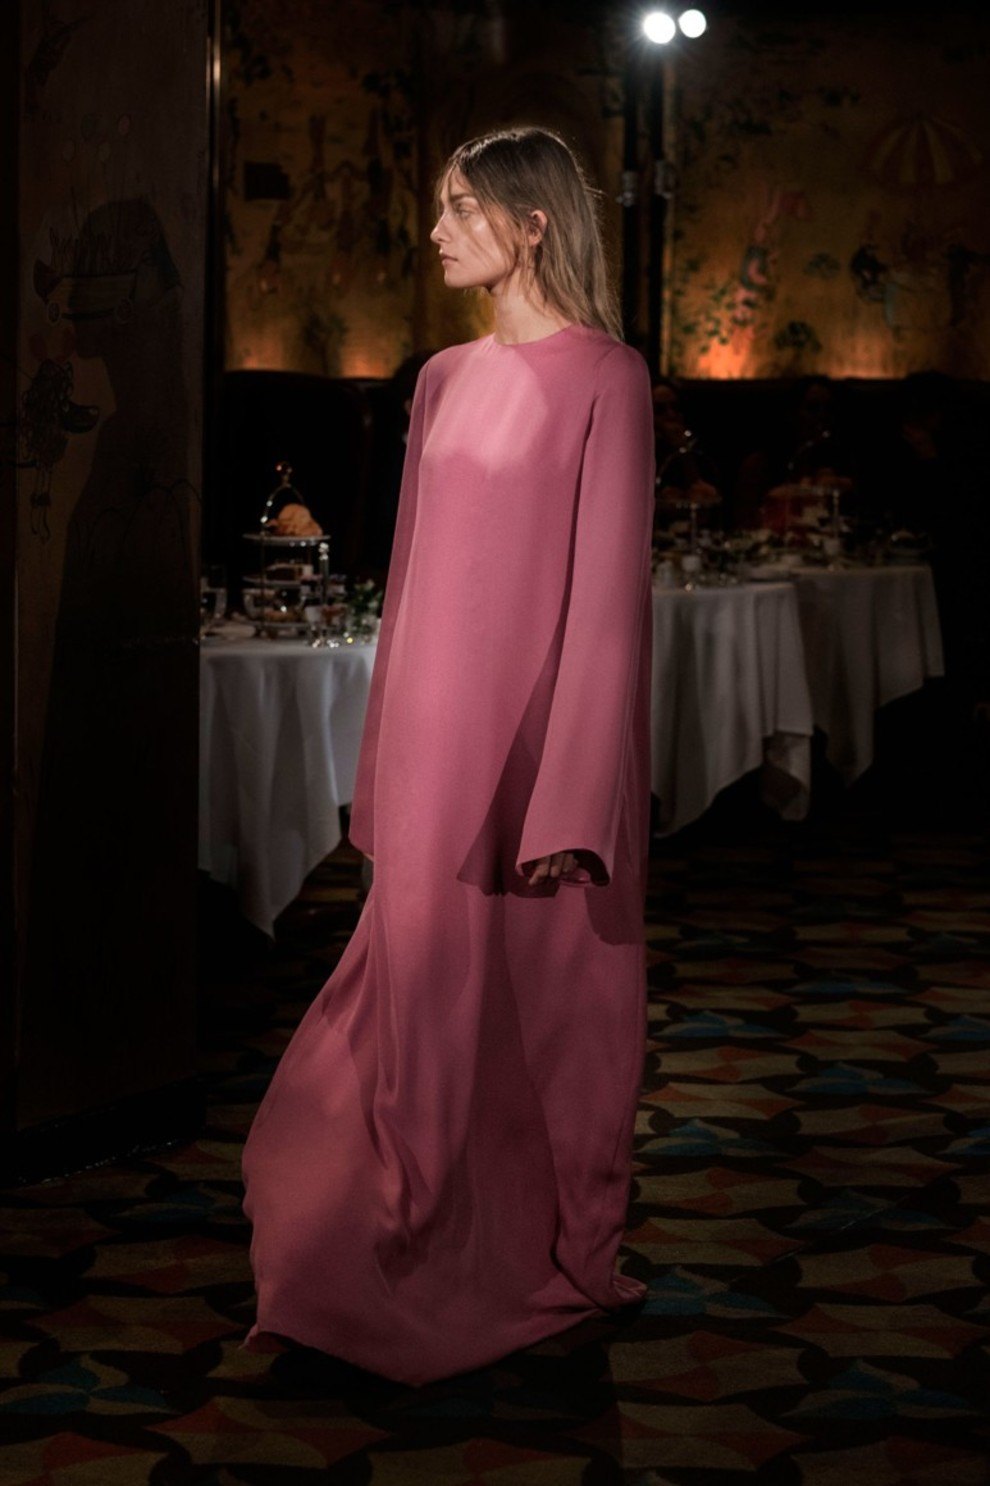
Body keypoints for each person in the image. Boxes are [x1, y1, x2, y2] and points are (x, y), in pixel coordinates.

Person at [241, 127, 656, 1385]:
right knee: (411, 1006)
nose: (435, 231)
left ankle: (545, 1246)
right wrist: (383, 771)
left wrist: (574, 796)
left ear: (533, 222)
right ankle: (378, 1242)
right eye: (438, 206)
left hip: (541, 757)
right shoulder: (437, 377)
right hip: (434, 746)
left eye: (461, 208)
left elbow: (608, 606)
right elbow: (412, 582)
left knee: (547, 1015)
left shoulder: (609, 377)